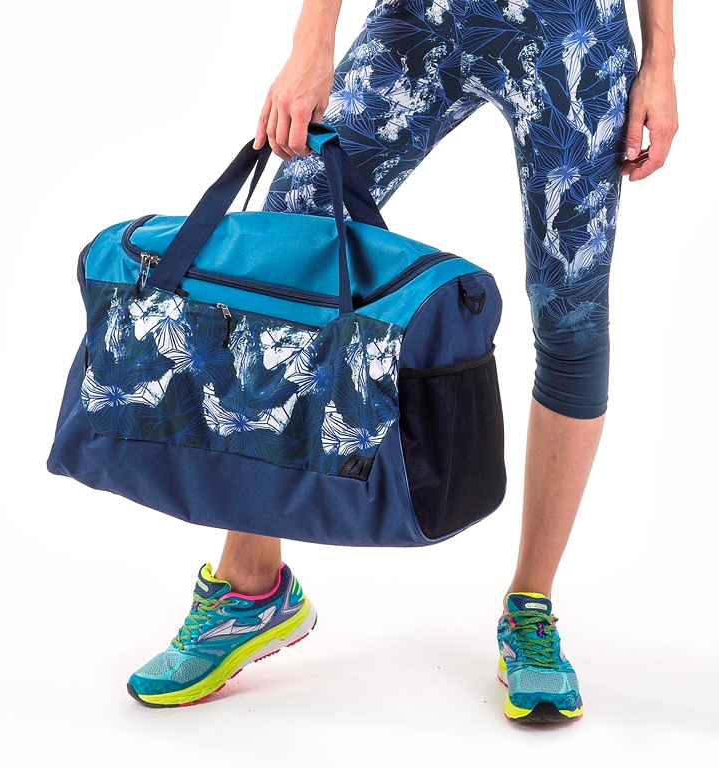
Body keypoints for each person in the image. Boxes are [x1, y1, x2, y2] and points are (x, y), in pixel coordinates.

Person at [126, 0, 677, 722]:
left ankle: (530, 605)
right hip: (426, 15)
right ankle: (251, 586)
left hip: (569, 31)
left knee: (570, 316)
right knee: (291, 240)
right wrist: (312, 39)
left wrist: (661, 58)